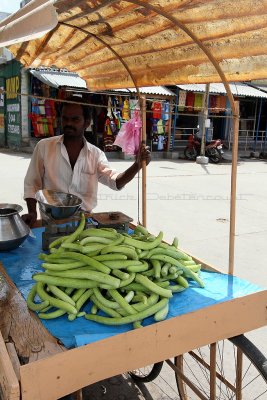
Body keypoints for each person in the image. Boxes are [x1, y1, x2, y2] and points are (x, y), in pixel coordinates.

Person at [22, 96, 151, 227]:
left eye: (75, 119)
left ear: (87, 122)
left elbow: (115, 181)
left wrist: (137, 165)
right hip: (50, 221)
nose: (69, 123)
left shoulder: (96, 154)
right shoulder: (44, 147)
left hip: (84, 222)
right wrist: (32, 212)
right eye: (65, 118)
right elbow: (32, 184)